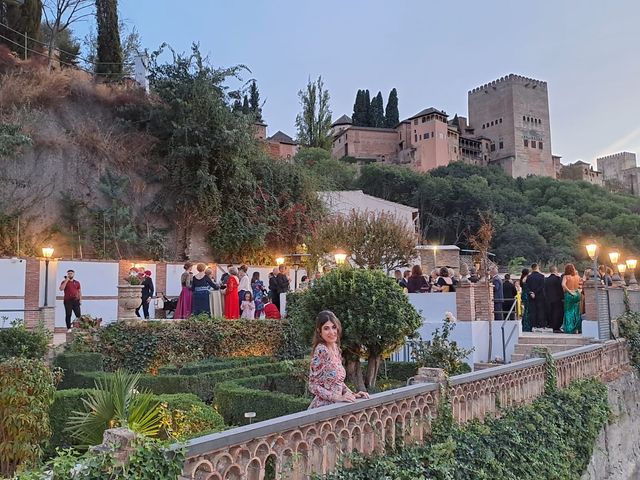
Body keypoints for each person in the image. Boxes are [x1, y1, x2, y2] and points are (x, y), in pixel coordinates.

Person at [308, 311, 369, 408]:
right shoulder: (321, 350)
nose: (331, 332)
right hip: (324, 408)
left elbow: (338, 382)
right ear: (319, 331)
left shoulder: (336, 348)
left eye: (334, 327)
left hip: (337, 406)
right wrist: (337, 397)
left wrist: (352, 394)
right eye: (326, 328)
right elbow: (313, 385)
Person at [562, 264, 582, 334]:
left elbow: (563, 284)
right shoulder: (577, 277)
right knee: (576, 312)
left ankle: (569, 329)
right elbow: (581, 284)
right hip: (577, 294)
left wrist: (569, 291)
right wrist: (579, 290)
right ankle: (576, 329)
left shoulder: (566, 277)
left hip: (569, 295)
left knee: (568, 312)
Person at [525, 263, 546, 329]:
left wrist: (531, 292)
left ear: (532, 268)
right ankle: (541, 324)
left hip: (531, 296)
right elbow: (542, 286)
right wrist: (535, 293)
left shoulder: (528, 277)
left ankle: (533, 324)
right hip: (539, 296)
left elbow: (526, 286)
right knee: (540, 310)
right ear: (537, 267)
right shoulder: (542, 276)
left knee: (532, 310)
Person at [544, 266, 564, 333]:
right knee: (558, 313)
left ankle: (552, 326)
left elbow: (545, 290)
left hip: (549, 299)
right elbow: (560, 289)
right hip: (557, 299)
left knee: (551, 313)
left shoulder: (546, 280)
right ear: (556, 270)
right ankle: (556, 327)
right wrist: (562, 297)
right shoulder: (558, 279)